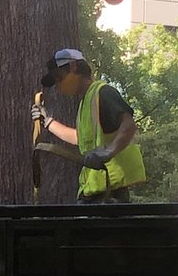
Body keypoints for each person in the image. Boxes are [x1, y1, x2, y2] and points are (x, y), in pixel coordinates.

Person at [31, 47, 145, 203]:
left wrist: (108, 152)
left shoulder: (103, 92)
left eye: (59, 77)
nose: (58, 85)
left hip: (110, 193)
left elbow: (129, 125)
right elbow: (80, 138)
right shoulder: (86, 101)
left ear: (73, 67)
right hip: (94, 191)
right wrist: (48, 122)